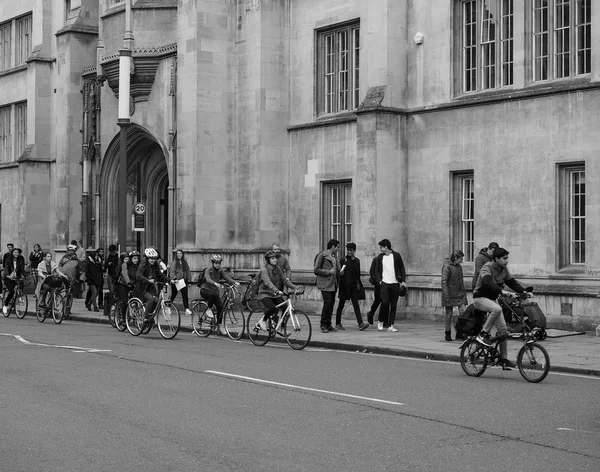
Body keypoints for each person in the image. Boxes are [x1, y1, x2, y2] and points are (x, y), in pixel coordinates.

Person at [473, 247, 528, 369]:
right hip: (480, 298)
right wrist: (502, 291)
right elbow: (488, 282)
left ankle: (503, 359)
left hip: (492, 300)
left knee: (503, 331)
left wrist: (524, 291)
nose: (507, 260)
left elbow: (512, 283)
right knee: (497, 309)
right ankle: (483, 334)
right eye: (504, 258)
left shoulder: (503, 269)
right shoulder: (487, 267)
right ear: (496, 258)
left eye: (507, 258)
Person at [256, 250, 301, 334]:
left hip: (274, 294)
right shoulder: (264, 270)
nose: (275, 260)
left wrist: (295, 287)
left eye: (275, 258)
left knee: (284, 307)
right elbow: (267, 282)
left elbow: (284, 281)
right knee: (272, 308)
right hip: (264, 293)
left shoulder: (278, 269)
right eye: (272, 259)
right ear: (268, 260)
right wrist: (276, 290)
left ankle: (282, 327)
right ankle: (263, 320)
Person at [372, 239, 407, 333]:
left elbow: (402, 268)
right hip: (385, 284)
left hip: (395, 283)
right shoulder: (380, 257)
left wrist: (403, 281)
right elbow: (377, 270)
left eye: (381, 247)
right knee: (385, 303)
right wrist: (379, 281)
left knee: (394, 305)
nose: (380, 249)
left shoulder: (396, 255)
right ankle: (380, 321)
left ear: (386, 247)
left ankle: (391, 325)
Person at [198, 254, 238, 335]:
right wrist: (215, 283)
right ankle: (208, 309)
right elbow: (208, 279)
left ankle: (219, 326)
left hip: (214, 293)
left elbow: (226, 278)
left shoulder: (220, 270)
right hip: (205, 290)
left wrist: (234, 282)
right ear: (213, 263)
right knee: (213, 294)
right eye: (216, 263)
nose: (218, 265)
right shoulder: (208, 270)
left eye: (219, 263)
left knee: (220, 308)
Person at [335, 242, 369, 331]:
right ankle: (338, 323)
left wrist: (358, 284)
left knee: (356, 304)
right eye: (348, 250)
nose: (349, 252)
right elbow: (338, 273)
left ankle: (360, 323)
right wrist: (340, 274)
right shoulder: (343, 260)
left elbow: (357, 274)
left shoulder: (357, 261)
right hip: (344, 286)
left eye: (351, 250)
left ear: (354, 251)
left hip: (353, 286)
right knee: (341, 305)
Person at [134, 247, 171, 325]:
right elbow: (138, 276)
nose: (153, 260)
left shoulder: (155, 266)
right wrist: (147, 280)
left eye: (154, 258)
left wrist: (170, 280)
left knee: (158, 301)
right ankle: (146, 316)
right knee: (151, 299)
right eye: (151, 258)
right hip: (142, 289)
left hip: (151, 289)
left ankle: (151, 316)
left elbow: (160, 275)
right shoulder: (142, 266)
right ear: (147, 259)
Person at [314, 239, 341, 333]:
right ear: (332, 246)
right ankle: (323, 325)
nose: (338, 249)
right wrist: (329, 272)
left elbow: (337, 270)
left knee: (331, 304)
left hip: (333, 284)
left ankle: (328, 324)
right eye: (337, 247)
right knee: (328, 303)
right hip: (324, 284)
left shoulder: (334, 257)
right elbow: (316, 270)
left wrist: (339, 270)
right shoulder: (322, 255)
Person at [441, 249, 467, 341]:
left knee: (463, 313)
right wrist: (446, 295)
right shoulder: (447, 267)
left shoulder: (459, 267)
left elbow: (461, 281)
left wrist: (464, 294)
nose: (461, 261)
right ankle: (447, 333)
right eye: (460, 259)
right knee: (449, 313)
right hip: (449, 293)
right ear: (455, 257)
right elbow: (444, 282)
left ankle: (460, 332)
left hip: (459, 293)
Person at [169, 249, 192, 316]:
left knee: (185, 295)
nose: (179, 255)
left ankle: (186, 309)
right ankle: (168, 306)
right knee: (173, 295)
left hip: (183, 281)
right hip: (176, 281)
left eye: (180, 253)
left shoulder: (185, 262)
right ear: (176, 255)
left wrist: (189, 281)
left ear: (182, 254)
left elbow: (188, 272)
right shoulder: (174, 262)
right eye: (178, 253)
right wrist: (174, 278)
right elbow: (172, 272)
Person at [3, 247, 26, 315]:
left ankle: (18, 298)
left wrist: (26, 276)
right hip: (8, 278)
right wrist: (7, 275)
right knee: (12, 292)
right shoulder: (9, 260)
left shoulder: (19, 260)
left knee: (20, 284)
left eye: (17, 252)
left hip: (16, 277)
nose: (16, 254)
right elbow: (6, 268)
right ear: (12, 253)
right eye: (15, 252)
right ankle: (5, 305)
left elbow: (22, 269)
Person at [366, 255, 382, 325]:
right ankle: (371, 313)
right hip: (378, 283)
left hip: (386, 282)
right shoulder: (376, 259)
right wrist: (376, 281)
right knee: (378, 300)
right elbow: (372, 271)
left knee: (385, 301)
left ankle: (383, 319)